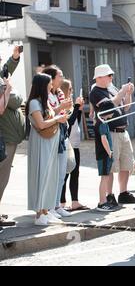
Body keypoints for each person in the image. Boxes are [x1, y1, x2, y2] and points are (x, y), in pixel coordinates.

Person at [89, 64, 135, 206]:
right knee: (111, 166)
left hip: (123, 131)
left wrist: (128, 93)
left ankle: (123, 193)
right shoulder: (96, 92)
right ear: (99, 77)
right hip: (110, 131)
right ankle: (109, 195)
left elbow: (125, 107)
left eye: (112, 74)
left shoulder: (112, 88)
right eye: (109, 75)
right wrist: (122, 92)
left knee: (127, 163)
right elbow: (109, 107)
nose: (112, 77)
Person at [26, 74, 68, 225]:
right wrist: (58, 119)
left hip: (49, 143)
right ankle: (39, 213)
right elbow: (41, 124)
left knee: (49, 176)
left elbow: (49, 116)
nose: (52, 86)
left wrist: (61, 111)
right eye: (49, 84)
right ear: (42, 85)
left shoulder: (43, 102)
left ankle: (45, 210)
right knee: (42, 175)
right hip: (41, 144)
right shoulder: (34, 103)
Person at [42, 66, 73, 219]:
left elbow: (65, 113)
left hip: (62, 133)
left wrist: (68, 108)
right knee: (52, 173)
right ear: (51, 78)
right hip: (52, 134)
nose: (62, 78)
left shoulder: (59, 93)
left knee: (61, 173)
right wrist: (62, 107)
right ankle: (48, 208)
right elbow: (48, 114)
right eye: (59, 76)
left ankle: (56, 205)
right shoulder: (44, 95)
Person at [0, 46, 25, 230]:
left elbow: (6, 70)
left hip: (10, 139)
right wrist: (9, 91)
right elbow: (5, 106)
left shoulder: (1, 77)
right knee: (1, 178)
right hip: (5, 139)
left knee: (4, 178)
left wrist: (15, 57)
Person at [60, 79, 88, 211]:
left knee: (75, 172)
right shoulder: (63, 105)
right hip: (67, 144)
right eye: (70, 89)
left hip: (75, 143)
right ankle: (62, 203)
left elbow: (75, 120)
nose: (72, 92)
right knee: (65, 174)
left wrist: (79, 109)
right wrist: (76, 107)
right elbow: (69, 123)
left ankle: (75, 201)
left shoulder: (71, 105)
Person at [94, 100, 119, 212]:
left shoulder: (100, 121)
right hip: (104, 155)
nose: (113, 113)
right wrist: (110, 152)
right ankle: (102, 202)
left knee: (105, 177)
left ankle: (103, 201)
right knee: (104, 178)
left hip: (103, 155)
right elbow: (104, 139)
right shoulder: (102, 123)